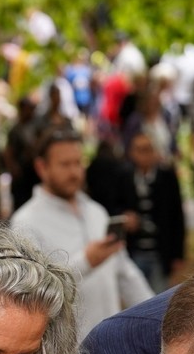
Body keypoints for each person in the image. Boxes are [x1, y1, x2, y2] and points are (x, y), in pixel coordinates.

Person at [10, 128, 152, 336]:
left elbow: (126, 274)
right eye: (65, 164)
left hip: (110, 342)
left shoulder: (96, 211)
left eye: (78, 163)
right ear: (42, 167)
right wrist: (86, 262)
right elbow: (32, 295)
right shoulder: (25, 222)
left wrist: (157, 314)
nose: (74, 172)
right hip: (67, 350)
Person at [122, 131, 186, 293]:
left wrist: (178, 255)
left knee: (159, 297)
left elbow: (177, 217)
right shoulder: (125, 177)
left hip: (160, 252)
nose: (144, 155)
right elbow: (113, 206)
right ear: (131, 153)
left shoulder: (167, 177)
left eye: (148, 149)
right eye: (139, 150)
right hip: (135, 251)